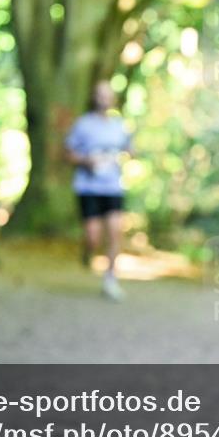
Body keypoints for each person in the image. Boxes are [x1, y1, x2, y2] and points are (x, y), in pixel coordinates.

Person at [65, 81, 134, 301]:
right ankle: (88, 250)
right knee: (93, 236)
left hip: (113, 186)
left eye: (108, 95)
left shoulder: (119, 125)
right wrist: (86, 160)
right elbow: (69, 153)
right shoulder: (83, 124)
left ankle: (111, 279)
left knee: (115, 231)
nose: (104, 99)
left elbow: (130, 149)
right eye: (100, 95)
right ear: (94, 97)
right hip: (88, 187)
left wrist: (128, 153)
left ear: (113, 99)